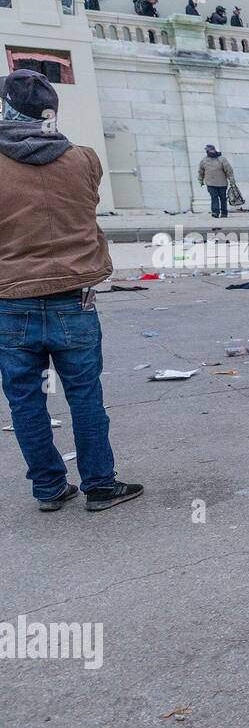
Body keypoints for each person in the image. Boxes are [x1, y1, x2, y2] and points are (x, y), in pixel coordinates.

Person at [0, 71, 143, 513]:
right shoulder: (84, 159)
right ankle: (99, 484)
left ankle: (48, 488)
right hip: (73, 299)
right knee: (85, 398)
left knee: (25, 402)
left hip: (12, 300)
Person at [197, 144, 234, 218]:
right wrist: (200, 180)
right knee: (214, 197)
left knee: (223, 198)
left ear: (214, 150)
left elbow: (229, 170)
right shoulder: (204, 161)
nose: (210, 152)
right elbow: (201, 171)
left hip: (222, 183)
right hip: (210, 183)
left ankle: (224, 212)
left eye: (211, 150)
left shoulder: (222, 159)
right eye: (209, 150)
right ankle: (215, 212)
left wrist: (232, 180)